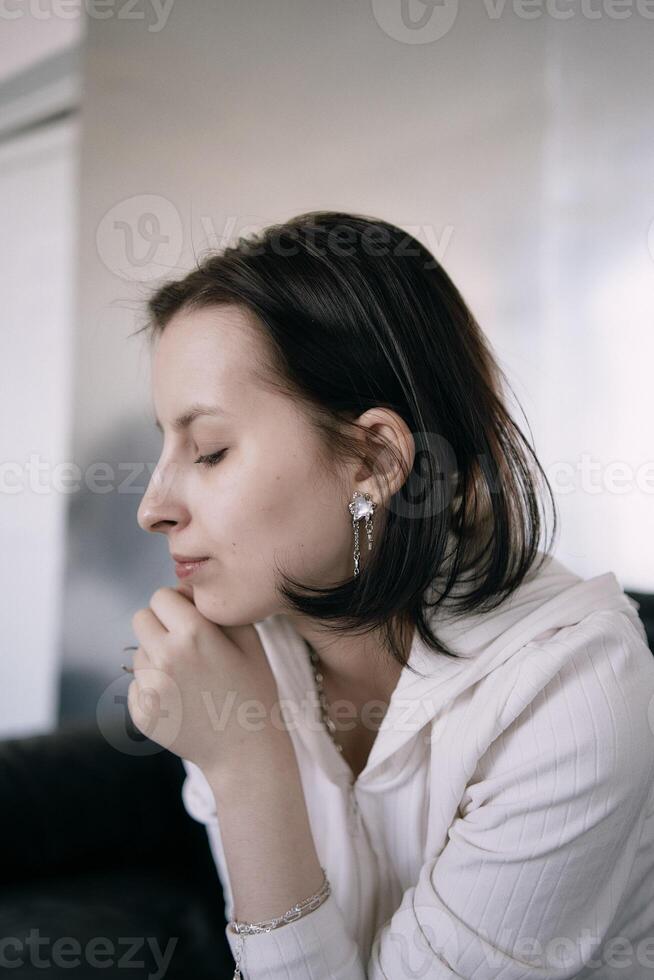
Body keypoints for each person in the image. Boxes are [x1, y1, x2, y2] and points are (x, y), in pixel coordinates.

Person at [127, 211, 654, 979]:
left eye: (208, 451)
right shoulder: (235, 650)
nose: (152, 507)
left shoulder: (574, 691)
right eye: (164, 446)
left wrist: (248, 770)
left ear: (372, 459)